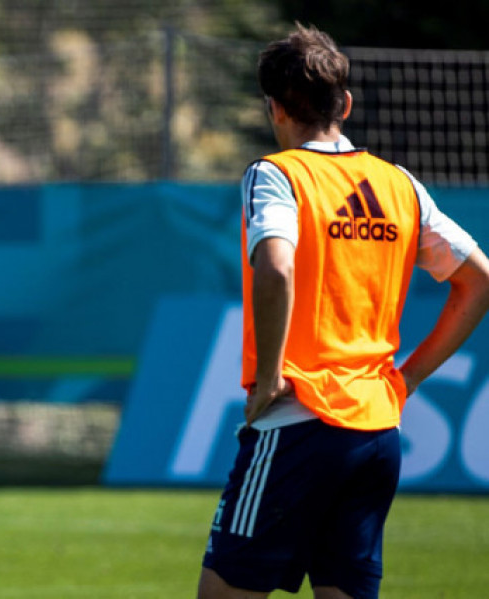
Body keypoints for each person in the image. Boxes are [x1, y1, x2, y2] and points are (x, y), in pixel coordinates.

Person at [198, 23, 489, 599]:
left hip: (299, 420)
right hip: (377, 434)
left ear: (276, 110)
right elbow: (478, 281)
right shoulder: (400, 184)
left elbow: (276, 268)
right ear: (346, 104)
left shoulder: (277, 175)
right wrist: (404, 381)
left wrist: (271, 375)